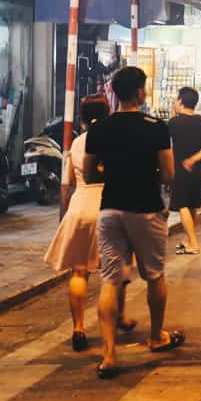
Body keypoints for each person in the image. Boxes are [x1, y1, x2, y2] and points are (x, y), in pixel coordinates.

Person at [84, 66, 184, 378]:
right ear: (140, 92)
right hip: (146, 209)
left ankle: (109, 355)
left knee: (110, 280)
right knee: (154, 275)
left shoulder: (99, 128)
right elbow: (168, 174)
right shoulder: (156, 126)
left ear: (113, 92)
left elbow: (88, 175)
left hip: (111, 209)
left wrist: (113, 171)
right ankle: (156, 337)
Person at [45, 94, 135, 351]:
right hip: (108, 207)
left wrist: (65, 215)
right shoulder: (117, 140)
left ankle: (78, 328)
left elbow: (68, 185)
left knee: (79, 271)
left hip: (80, 208)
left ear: (82, 118)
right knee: (115, 272)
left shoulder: (75, 143)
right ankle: (117, 318)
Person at [168, 87, 201, 256]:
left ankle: (193, 243)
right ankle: (188, 239)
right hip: (197, 169)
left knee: (182, 204)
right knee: (192, 204)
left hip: (181, 168)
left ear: (180, 101)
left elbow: (167, 144)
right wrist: (195, 159)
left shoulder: (174, 122)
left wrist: (188, 160)